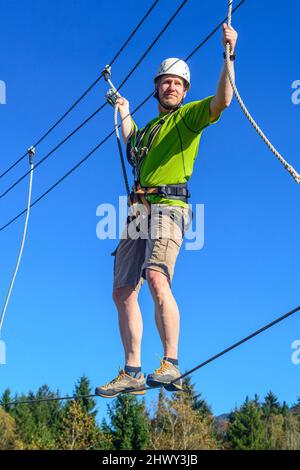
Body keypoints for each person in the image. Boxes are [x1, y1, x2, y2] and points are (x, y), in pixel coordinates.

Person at [96, 23, 238, 398]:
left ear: (185, 90)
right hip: (137, 213)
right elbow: (130, 141)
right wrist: (124, 109)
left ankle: (171, 363)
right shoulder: (147, 133)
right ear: (157, 87)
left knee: (157, 277)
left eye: (178, 83)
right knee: (123, 290)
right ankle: (132, 371)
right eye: (166, 82)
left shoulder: (187, 118)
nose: (171, 87)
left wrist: (228, 54)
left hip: (168, 207)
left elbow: (222, 100)